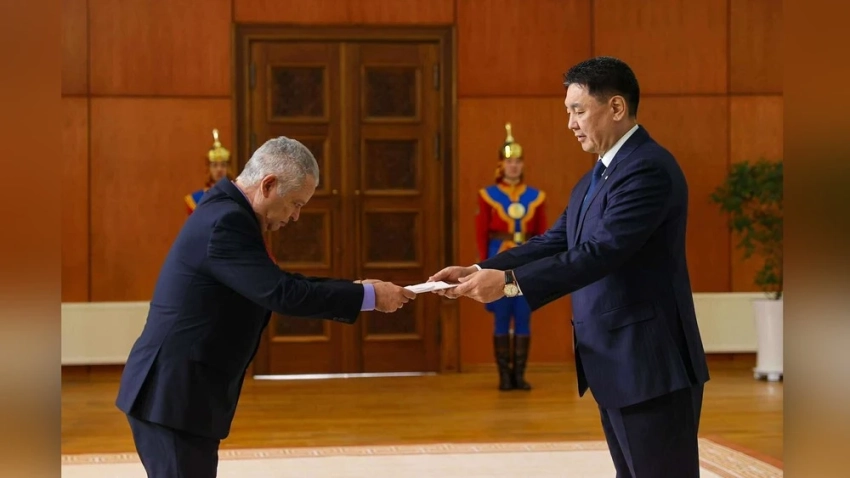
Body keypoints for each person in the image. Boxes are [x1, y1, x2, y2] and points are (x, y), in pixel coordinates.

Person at [429, 56, 710, 478]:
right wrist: (476, 268)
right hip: (616, 362)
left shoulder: (647, 169)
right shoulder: (597, 176)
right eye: (568, 112)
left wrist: (508, 284)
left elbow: (601, 252)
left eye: (578, 111)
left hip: (649, 364)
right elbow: (554, 242)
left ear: (616, 107)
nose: (570, 123)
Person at [116, 136, 416, 478]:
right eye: (295, 203)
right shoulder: (227, 222)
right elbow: (282, 293)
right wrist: (368, 297)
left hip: (181, 394)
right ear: (268, 184)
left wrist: (356, 289)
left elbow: (277, 282)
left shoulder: (228, 210)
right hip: (173, 395)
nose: (296, 216)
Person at [475, 123, 547, 391]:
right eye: (509, 162)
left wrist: (541, 267)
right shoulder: (488, 196)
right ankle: (504, 376)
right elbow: (481, 234)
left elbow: (544, 235)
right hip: (499, 260)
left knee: (523, 314)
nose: (513, 166)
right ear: (501, 165)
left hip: (526, 263)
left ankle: (520, 375)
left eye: (517, 162)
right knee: (502, 316)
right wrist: (483, 267)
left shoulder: (536, 197)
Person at [185, 128, 232, 215]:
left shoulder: (234, 197)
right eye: (215, 165)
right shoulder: (196, 200)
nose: (219, 169)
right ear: (208, 169)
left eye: (223, 165)